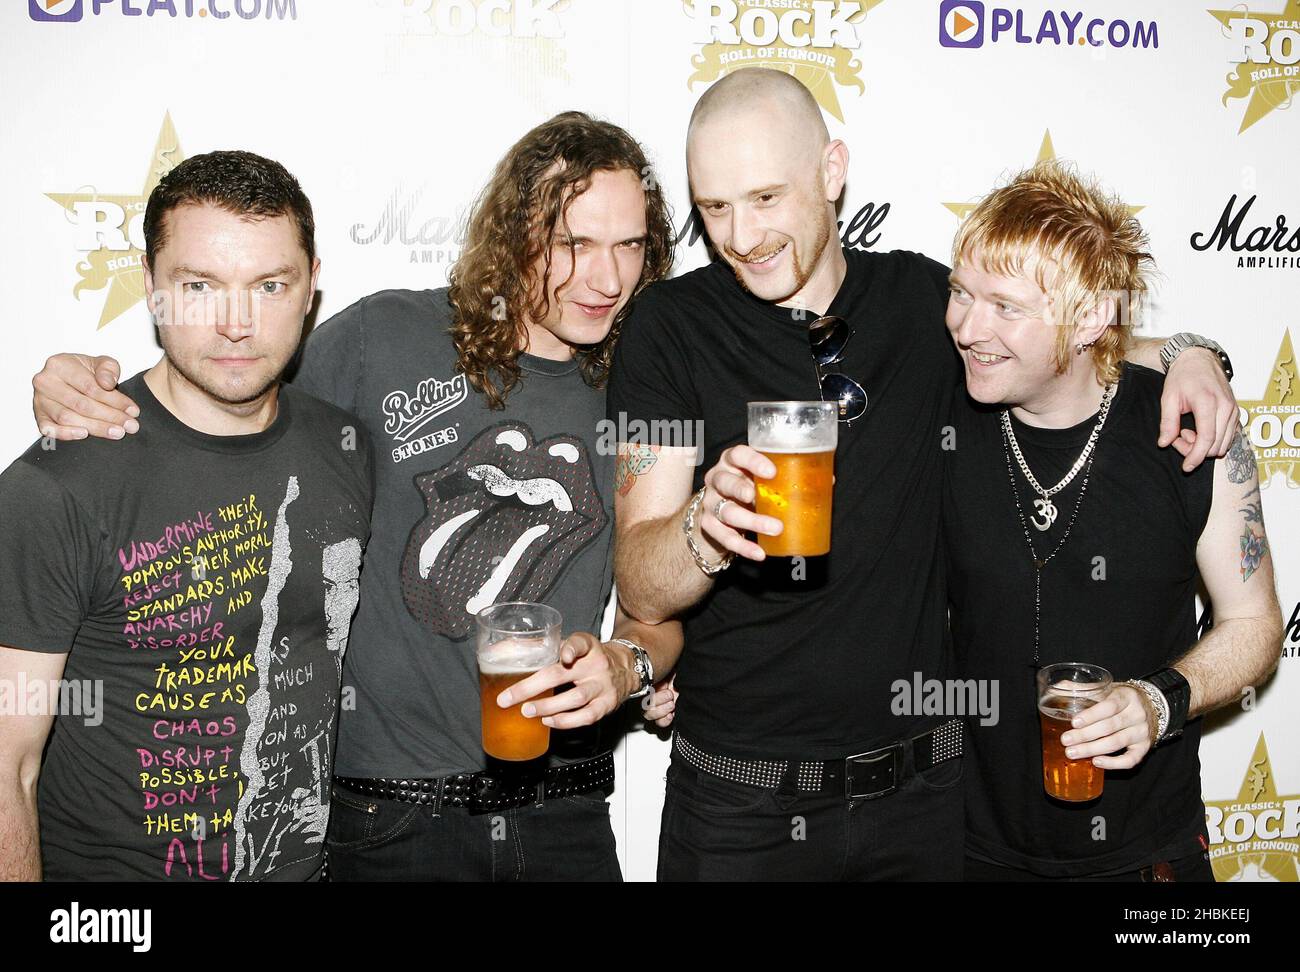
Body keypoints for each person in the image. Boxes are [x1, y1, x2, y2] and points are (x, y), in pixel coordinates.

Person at [609, 67, 1239, 881]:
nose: (741, 235)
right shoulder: (667, 325)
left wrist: (1194, 353)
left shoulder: (921, 299)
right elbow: (641, 583)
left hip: (924, 802)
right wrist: (701, 530)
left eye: (766, 198)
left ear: (832, 171)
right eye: (715, 207)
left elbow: (1052, 340)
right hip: (740, 808)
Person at [27, 112, 682, 881]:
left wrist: (634, 666)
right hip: (385, 823)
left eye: (629, 246)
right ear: (517, 231)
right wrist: (89, 382)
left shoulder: (648, 382)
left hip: (564, 815)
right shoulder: (388, 337)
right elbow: (225, 392)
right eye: (573, 243)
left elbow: (656, 610)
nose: (605, 278)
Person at [0, 151, 373, 880]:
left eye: (269, 285)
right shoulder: (57, 485)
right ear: (150, 287)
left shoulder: (345, 447)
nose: (237, 324)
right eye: (199, 285)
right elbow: (6, 767)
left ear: (311, 286)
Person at [942, 161, 1282, 881]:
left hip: (1147, 858)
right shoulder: (942, 408)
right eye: (961, 293)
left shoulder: (1188, 429)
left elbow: (1253, 626)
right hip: (967, 850)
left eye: (1005, 307)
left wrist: (1158, 702)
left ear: (1092, 314)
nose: (967, 328)